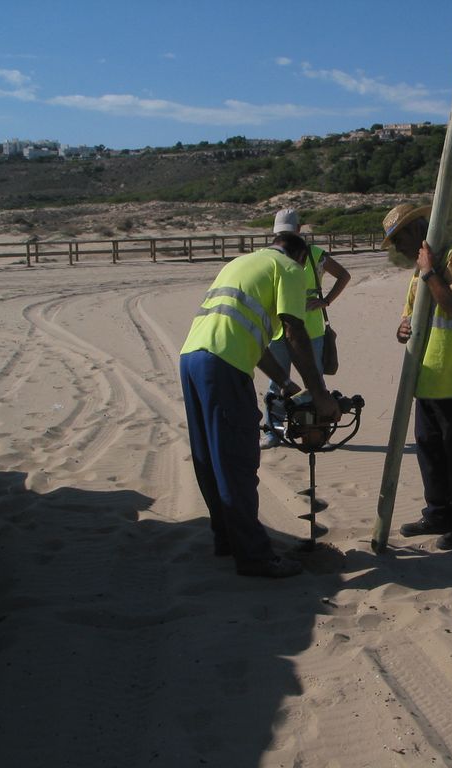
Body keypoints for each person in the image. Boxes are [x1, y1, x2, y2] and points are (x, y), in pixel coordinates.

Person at [179, 232, 341, 578]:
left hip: (192, 358)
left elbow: (255, 338)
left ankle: (227, 539)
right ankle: (254, 557)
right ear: (300, 256)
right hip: (225, 364)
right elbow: (294, 330)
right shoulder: (290, 268)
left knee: (209, 457)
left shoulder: (240, 263)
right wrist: (320, 394)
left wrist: (284, 382)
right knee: (236, 459)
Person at [384, 203, 452, 549]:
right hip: (425, 379)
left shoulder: (450, 258)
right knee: (429, 451)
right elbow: (409, 318)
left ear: (416, 230)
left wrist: (430, 273)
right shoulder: (419, 270)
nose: (397, 248)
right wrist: (401, 329)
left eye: (398, 239)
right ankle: (439, 513)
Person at [261, 208, 350, 448]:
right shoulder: (272, 256)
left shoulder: (314, 255)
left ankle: (315, 430)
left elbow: (343, 275)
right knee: (278, 383)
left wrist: (326, 300)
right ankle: (274, 431)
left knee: (314, 383)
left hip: (310, 329)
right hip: (282, 329)